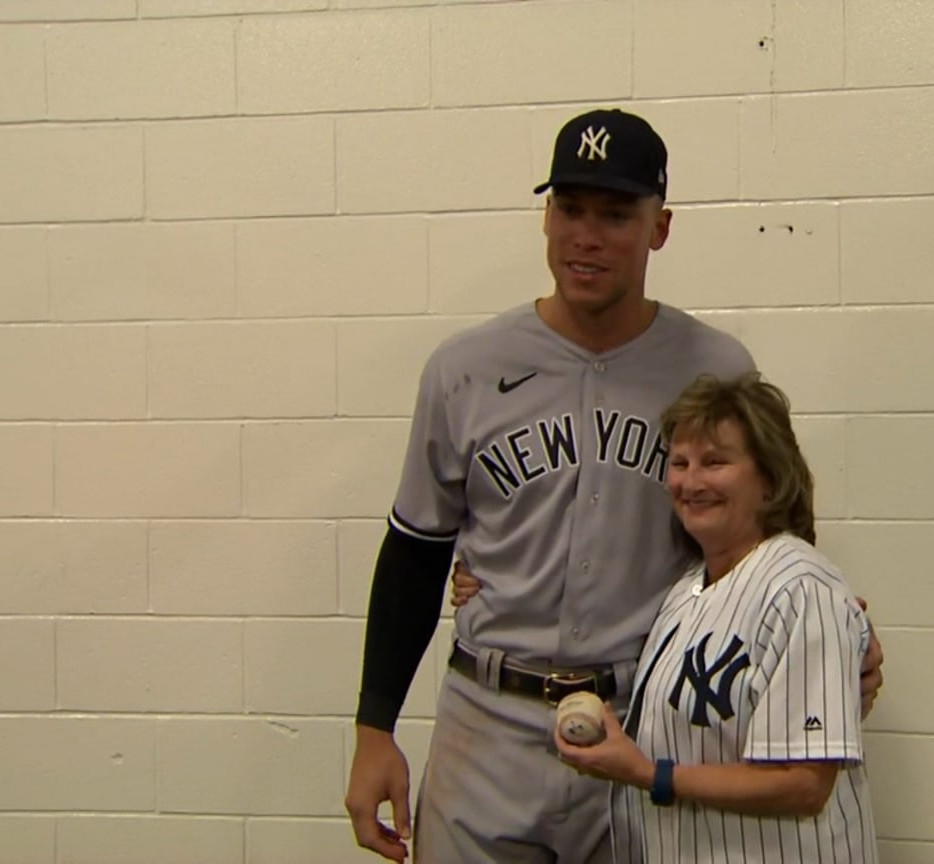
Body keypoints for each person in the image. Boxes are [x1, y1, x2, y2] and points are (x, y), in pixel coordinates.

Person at [344, 108, 884, 864]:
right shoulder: (464, 367)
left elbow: (768, 545)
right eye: (569, 210)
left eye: (615, 214)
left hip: (643, 724)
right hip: (487, 723)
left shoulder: (715, 368)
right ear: (545, 217)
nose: (585, 236)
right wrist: (376, 729)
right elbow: (414, 551)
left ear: (660, 227)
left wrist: (827, 639)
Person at [555, 372, 879, 862]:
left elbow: (804, 784)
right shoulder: (687, 591)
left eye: (715, 462)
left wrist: (647, 773)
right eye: (680, 463)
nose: (691, 481)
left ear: (769, 480)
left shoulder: (801, 588)